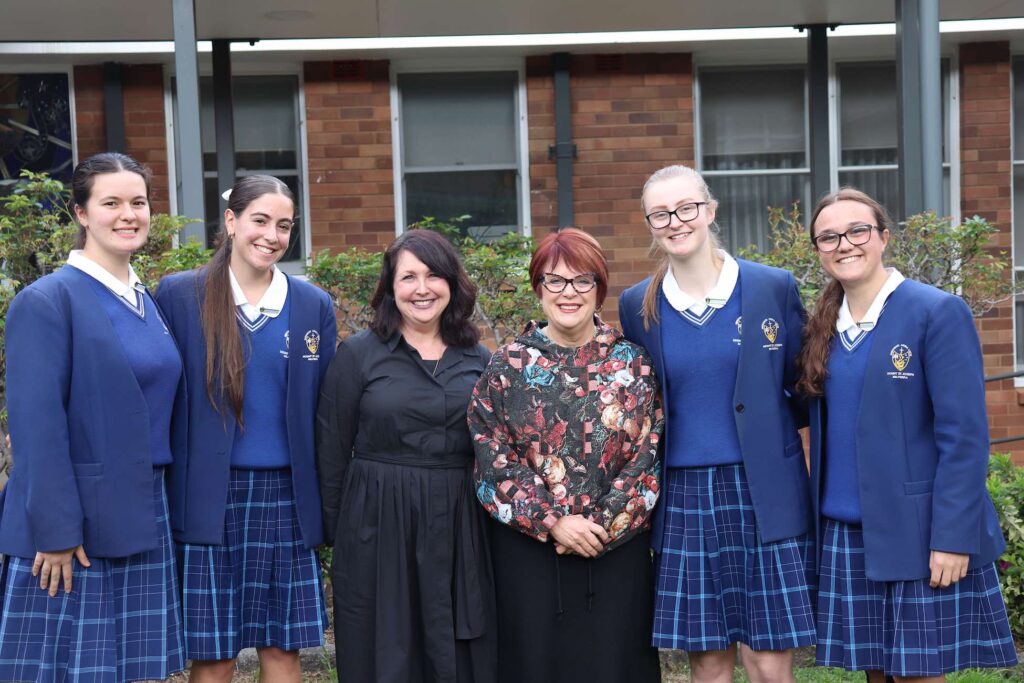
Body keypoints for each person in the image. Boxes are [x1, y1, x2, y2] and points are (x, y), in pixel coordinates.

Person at [800, 187, 1017, 681]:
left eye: (857, 231)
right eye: (829, 237)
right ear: (818, 250)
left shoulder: (936, 312)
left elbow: (964, 437)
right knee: (876, 673)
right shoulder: (824, 326)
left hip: (918, 531)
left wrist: (953, 538)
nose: (844, 244)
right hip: (844, 528)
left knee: (917, 675)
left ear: (883, 237)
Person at [619, 165, 815, 683]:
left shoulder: (771, 287)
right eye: (661, 214)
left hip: (764, 487)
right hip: (683, 495)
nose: (675, 221)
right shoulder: (638, 306)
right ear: (649, 224)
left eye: (686, 208)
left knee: (768, 659)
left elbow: (802, 387)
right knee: (708, 663)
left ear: (709, 210)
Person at [0, 152, 185, 682]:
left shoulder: (146, 301)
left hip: (142, 509)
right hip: (74, 528)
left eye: (138, 202)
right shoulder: (47, 300)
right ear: (81, 213)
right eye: (111, 203)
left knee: (126, 671)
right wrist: (56, 531)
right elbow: (37, 430)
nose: (129, 215)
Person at [155, 175, 336, 683]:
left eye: (285, 226)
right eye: (260, 220)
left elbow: (325, 411)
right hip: (209, 498)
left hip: (288, 499)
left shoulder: (311, 304)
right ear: (231, 221)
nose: (272, 236)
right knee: (214, 656)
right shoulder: (180, 295)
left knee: (282, 651)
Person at [469, 227, 663, 683]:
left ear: (599, 287)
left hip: (614, 554)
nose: (568, 292)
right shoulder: (507, 367)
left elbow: (648, 455)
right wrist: (553, 521)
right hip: (531, 556)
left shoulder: (634, 365)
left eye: (582, 280)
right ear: (538, 288)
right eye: (554, 280)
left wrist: (599, 527)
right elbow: (492, 459)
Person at [316, 229, 496, 683]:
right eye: (408, 277)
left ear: (451, 283)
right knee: (385, 644)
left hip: (459, 520)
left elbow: (497, 449)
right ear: (390, 287)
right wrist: (339, 536)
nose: (422, 288)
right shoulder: (358, 355)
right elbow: (331, 450)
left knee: (457, 645)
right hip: (377, 521)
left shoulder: (479, 358)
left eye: (434, 275)